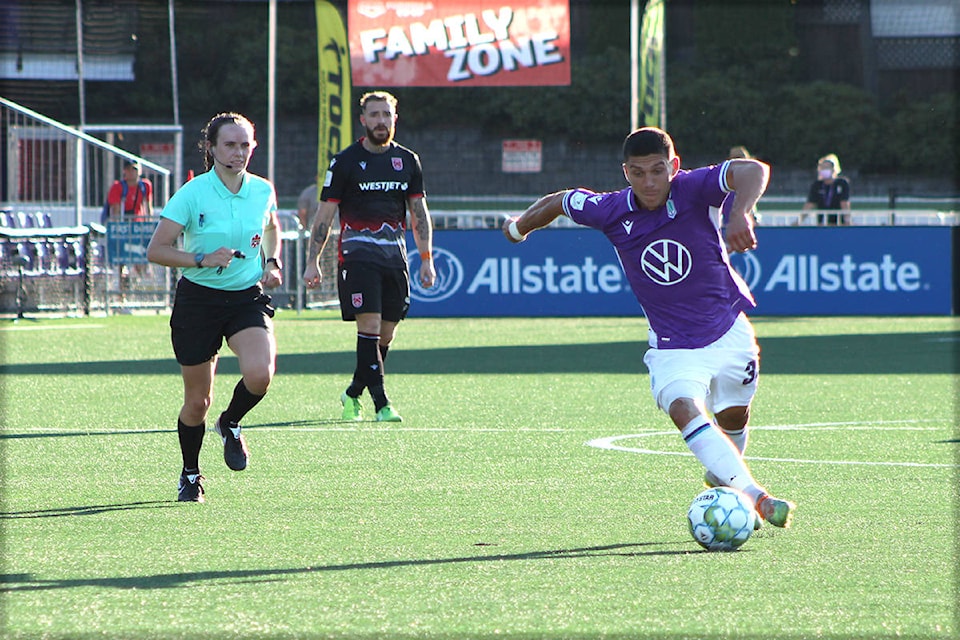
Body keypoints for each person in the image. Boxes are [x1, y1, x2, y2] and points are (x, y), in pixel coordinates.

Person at [502, 126, 796, 528]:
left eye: (658, 171)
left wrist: (740, 210)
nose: (649, 182)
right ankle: (755, 496)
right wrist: (519, 227)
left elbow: (753, 170)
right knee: (682, 407)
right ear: (626, 173)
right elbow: (559, 201)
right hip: (672, 347)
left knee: (733, 418)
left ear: (673, 166)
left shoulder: (694, 188)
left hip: (729, 330)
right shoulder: (611, 210)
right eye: (638, 173)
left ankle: (725, 471)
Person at [146, 112, 283, 503]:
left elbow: (272, 228)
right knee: (197, 402)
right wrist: (201, 258)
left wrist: (272, 263)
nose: (239, 152)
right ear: (211, 148)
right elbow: (157, 250)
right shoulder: (192, 193)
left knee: (260, 375)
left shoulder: (262, 190)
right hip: (198, 302)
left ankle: (231, 422)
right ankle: (190, 473)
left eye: (245, 145)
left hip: (245, 297)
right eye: (230, 145)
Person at [303, 90, 435, 423]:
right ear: (363, 120)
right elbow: (324, 215)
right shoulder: (345, 161)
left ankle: (352, 393)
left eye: (385, 114)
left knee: (386, 334)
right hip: (357, 258)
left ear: (395, 118)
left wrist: (426, 258)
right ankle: (382, 404)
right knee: (371, 326)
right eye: (373, 115)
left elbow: (418, 212)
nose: (380, 121)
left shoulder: (407, 161)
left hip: (395, 259)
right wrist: (312, 260)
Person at [802, 153, 850, 226]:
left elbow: (844, 203)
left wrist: (847, 221)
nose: (824, 170)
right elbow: (810, 204)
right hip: (822, 223)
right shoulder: (817, 185)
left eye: (827, 168)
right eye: (822, 168)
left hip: (839, 223)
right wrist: (799, 220)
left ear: (833, 169)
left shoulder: (842, 183)